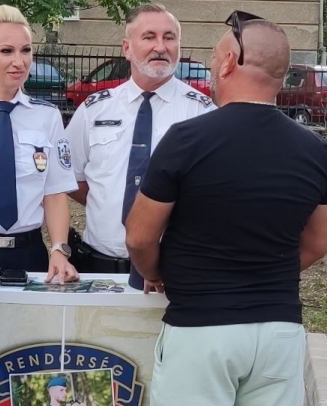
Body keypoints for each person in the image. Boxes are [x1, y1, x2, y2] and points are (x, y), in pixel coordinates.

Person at [125, 11, 327, 406]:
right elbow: (316, 244)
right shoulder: (314, 150)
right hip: (278, 329)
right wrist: (265, 274)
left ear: (228, 62)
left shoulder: (186, 140)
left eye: (214, 55)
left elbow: (139, 236)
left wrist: (159, 274)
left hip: (201, 329)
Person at [64, 2, 216, 289]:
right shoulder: (95, 109)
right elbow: (70, 178)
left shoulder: (202, 112)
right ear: (127, 48)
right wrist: (107, 200)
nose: (160, 47)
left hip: (170, 273)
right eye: (149, 37)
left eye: (169, 38)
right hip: (100, 267)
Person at [0, 5, 80, 284]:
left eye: (26, 50)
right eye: (6, 51)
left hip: (29, 254)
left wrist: (59, 250)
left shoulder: (47, 116)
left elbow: (55, 192)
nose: (19, 62)